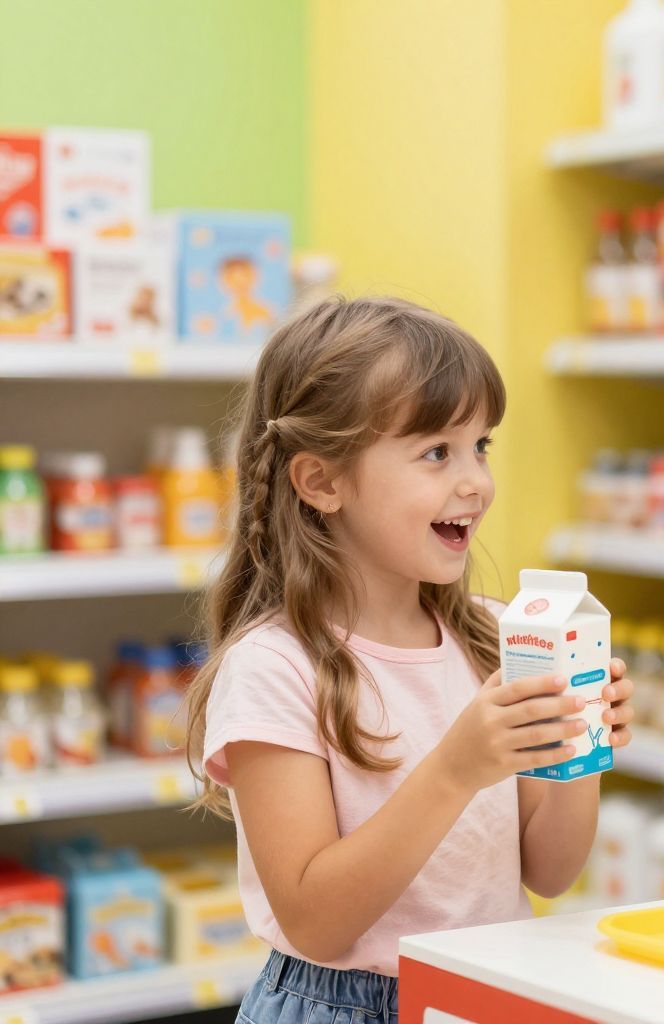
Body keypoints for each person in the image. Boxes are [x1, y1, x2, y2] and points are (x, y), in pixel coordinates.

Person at [183, 295, 635, 1023]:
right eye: (436, 453)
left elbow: (550, 871)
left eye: (481, 446)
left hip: (482, 993)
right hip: (339, 1005)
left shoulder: (492, 634)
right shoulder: (275, 668)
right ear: (322, 482)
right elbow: (315, 922)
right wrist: (457, 769)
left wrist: (582, 747)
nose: (476, 482)